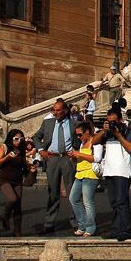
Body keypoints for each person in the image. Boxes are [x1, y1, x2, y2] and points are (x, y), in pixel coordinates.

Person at [94, 106, 131, 241]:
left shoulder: (129, 130)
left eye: (114, 121)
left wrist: (118, 134)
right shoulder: (107, 132)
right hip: (109, 170)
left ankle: (126, 230)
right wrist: (104, 131)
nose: (112, 123)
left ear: (120, 119)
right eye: (109, 121)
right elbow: (94, 141)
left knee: (121, 201)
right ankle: (115, 229)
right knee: (114, 202)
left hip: (123, 170)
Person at [33, 100, 77, 234]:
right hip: (52, 158)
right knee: (53, 192)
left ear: (65, 111)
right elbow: (36, 136)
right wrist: (41, 150)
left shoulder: (75, 124)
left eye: (58, 110)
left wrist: (78, 153)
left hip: (68, 159)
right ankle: (49, 222)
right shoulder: (48, 123)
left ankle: (75, 221)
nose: (55, 113)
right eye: (54, 110)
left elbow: (84, 139)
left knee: (72, 192)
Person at [0, 129, 33, 236]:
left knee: (18, 204)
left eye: (20, 139)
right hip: (4, 177)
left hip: (17, 178)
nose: (18, 141)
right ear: (11, 139)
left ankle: (17, 230)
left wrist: (29, 168)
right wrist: (8, 157)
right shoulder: (4, 147)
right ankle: (5, 215)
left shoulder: (22, 150)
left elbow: (23, 164)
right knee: (12, 198)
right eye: (16, 139)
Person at [68, 121, 102, 238]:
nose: (79, 137)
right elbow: (81, 157)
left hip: (90, 174)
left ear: (87, 131)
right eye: (77, 135)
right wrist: (74, 157)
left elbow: (97, 158)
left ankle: (90, 227)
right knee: (73, 198)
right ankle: (82, 224)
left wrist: (79, 154)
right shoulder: (82, 144)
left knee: (87, 201)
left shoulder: (96, 143)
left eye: (80, 134)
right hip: (80, 173)